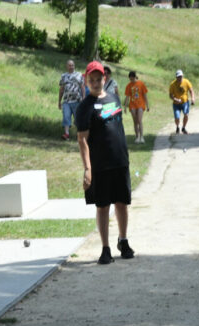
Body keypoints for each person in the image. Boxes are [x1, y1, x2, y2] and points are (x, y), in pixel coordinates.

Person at [76, 61, 134, 265]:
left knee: (122, 203)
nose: (95, 82)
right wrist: (87, 168)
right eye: (91, 79)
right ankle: (105, 247)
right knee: (102, 206)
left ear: (104, 79)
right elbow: (82, 139)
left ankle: (123, 240)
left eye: (98, 79)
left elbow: (117, 129)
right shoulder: (84, 108)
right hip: (100, 164)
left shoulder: (114, 98)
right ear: (86, 81)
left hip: (119, 160)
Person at [58, 59, 85, 140]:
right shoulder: (63, 76)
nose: (71, 67)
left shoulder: (79, 75)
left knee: (78, 119)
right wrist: (59, 101)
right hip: (66, 101)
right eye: (69, 65)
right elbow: (61, 89)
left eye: (72, 65)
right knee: (66, 116)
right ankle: (66, 134)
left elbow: (82, 87)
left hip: (77, 101)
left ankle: (80, 135)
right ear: (67, 66)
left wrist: (83, 98)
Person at [123, 70, 149, 144]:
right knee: (135, 121)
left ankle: (142, 137)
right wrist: (125, 107)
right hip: (132, 105)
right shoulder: (129, 85)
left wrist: (147, 105)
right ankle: (137, 137)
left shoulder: (141, 84)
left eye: (132, 79)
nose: (131, 80)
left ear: (135, 77)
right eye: (130, 79)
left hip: (140, 104)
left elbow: (145, 95)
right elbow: (127, 97)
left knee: (139, 120)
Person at [169, 69, 195, 134]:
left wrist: (192, 98)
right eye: (178, 77)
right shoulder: (172, 84)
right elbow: (170, 95)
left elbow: (191, 90)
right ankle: (177, 127)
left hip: (185, 102)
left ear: (182, 76)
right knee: (177, 117)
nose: (179, 78)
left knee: (186, 114)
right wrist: (175, 99)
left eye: (180, 76)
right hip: (176, 104)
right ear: (176, 77)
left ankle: (183, 128)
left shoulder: (186, 82)